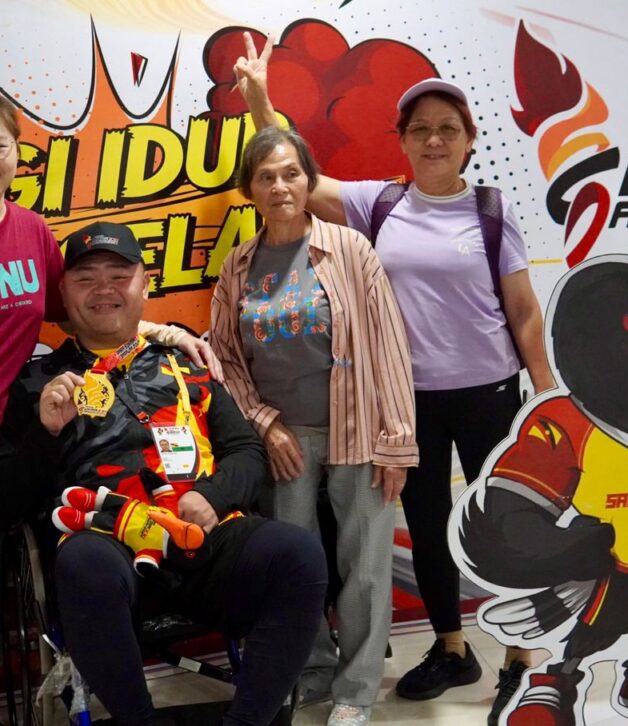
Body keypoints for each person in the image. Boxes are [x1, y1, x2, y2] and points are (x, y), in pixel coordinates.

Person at [233, 33, 554, 726]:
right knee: (430, 525)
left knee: (506, 525)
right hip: (408, 398)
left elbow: (525, 312)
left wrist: (549, 395)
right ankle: (452, 647)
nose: (434, 141)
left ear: (468, 140)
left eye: (447, 129)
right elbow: (292, 173)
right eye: (420, 130)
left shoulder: (492, 211)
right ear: (403, 140)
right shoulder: (378, 204)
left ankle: (523, 658)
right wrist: (260, 99)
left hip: (490, 393)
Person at [0, 92, 223, 726]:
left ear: (18, 153)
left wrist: (162, 332)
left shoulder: (32, 232)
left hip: (5, 443)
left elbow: (91, 311)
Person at [0, 220, 328, 726]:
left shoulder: (186, 362)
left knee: (297, 553)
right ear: (63, 294)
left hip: (203, 538)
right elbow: (3, 501)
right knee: (83, 563)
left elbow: (246, 450)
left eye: (119, 276)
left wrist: (212, 496)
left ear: (145, 286)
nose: (103, 289)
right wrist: (44, 434)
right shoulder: (37, 383)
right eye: (86, 278)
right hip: (110, 550)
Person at [209, 125, 417, 726]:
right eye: (266, 177)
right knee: (294, 569)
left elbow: (389, 347)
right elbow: (224, 360)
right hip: (284, 442)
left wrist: (397, 441)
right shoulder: (238, 267)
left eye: (291, 174)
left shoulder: (350, 249)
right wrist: (265, 425)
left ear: (308, 180)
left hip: (360, 430)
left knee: (365, 568)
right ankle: (313, 667)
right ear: (250, 190)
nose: (280, 186)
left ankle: (357, 690)